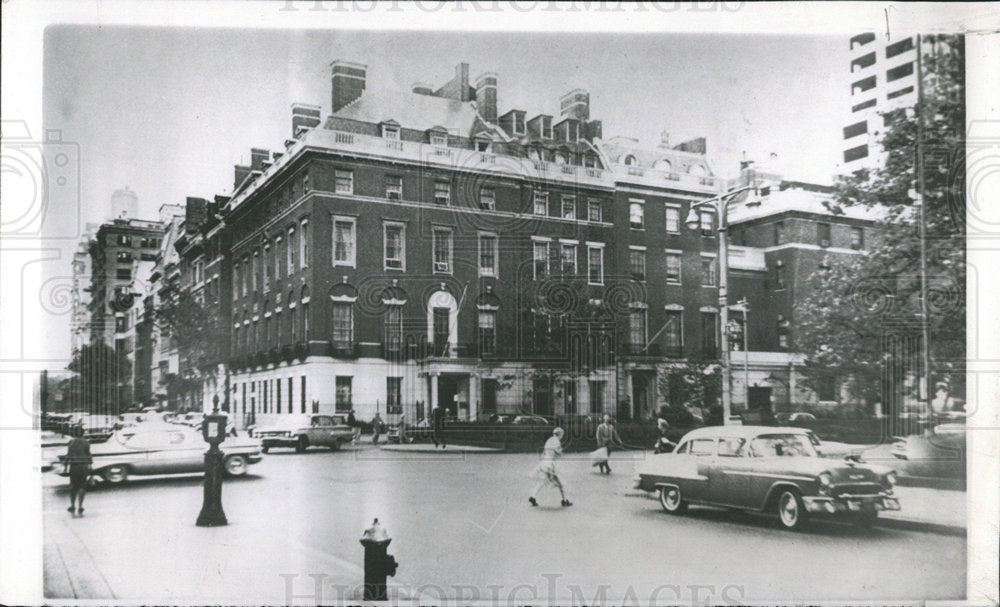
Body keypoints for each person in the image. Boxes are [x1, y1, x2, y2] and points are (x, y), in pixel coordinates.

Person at [529, 428, 572, 507]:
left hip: (544, 462)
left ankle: (533, 496)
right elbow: (558, 453)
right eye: (562, 434)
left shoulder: (549, 440)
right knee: (561, 482)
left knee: (542, 481)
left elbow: (545, 451)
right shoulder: (557, 442)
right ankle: (564, 500)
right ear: (560, 434)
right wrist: (562, 450)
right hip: (550, 463)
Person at [64, 427, 92, 515]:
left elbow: (68, 455)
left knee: (73, 486)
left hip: (74, 467)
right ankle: (80, 506)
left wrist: (65, 466)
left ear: (74, 433)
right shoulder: (86, 442)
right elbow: (88, 455)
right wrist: (90, 465)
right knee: (82, 486)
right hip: (84, 466)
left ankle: (72, 505)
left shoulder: (71, 442)